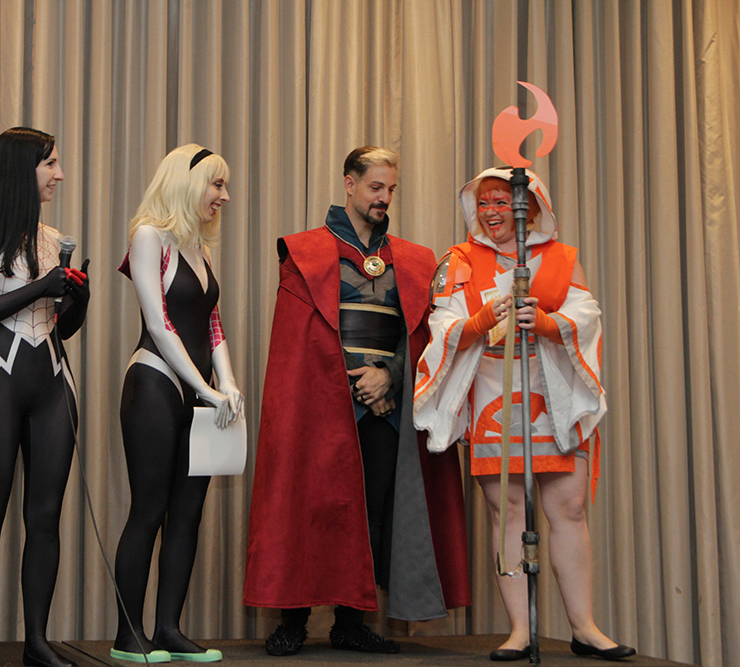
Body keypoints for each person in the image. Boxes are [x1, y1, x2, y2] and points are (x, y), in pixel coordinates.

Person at [244, 146, 470, 657]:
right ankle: (294, 620)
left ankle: (350, 622)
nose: (383, 198)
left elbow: (424, 333)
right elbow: (302, 340)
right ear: (349, 184)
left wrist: (388, 377)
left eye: (390, 189)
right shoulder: (304, 252)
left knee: (373, 510)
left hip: (388, 405)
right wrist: (356, 382)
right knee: (309, 505)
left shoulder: (414, 260)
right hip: (324, 402)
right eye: (375, 187)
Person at [413, 166, 635, 661]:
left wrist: (551, 324)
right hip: (494, 389)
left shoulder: (561, 258)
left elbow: (586, 317)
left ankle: (584, 628)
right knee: (507, 510)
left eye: (503, 201)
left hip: (552, 391)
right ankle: (519, 630)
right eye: (485, 202)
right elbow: (440, 325)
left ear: (531, 207)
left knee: (569, 507)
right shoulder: (459, 260)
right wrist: (478, 321)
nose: (493, 212)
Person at [0, 127, 90, 667]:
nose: (59, 174)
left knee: (45, 518)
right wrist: (41, 286)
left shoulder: (52, 238)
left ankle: (37, 642)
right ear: (19, 169)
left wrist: (78, 298)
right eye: (50, 163)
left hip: (53, 383)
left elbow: (63, 325)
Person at [111, 144, 243, 664]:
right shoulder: (149, 236)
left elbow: (213, 324)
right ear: (187, 182)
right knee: (149, 510)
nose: (224, 196)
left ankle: (168, 629)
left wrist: (227, 382)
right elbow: (159, 323)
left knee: (187, 514)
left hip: (200, 391)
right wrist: (207, 389)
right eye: (217, 184)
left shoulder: (199, 249)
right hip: (155, 384)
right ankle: (128, 636)